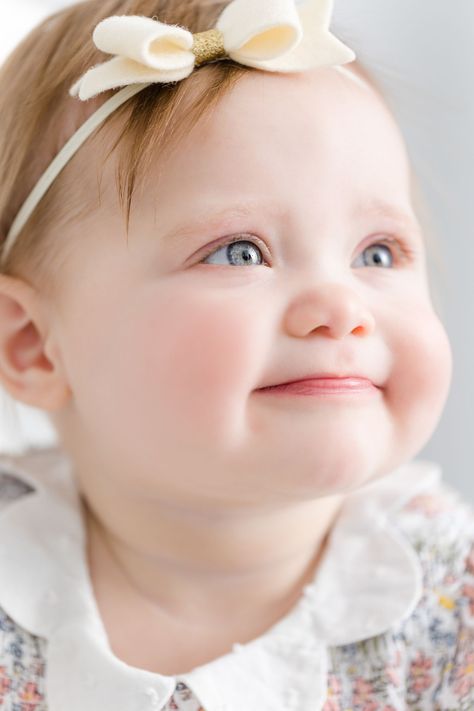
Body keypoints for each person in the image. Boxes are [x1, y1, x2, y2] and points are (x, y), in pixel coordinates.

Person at [0, 0, 470, 709]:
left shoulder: (447, 602)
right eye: (239, 251)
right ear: (33, 345)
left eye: (377, 251)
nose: (342, 309)